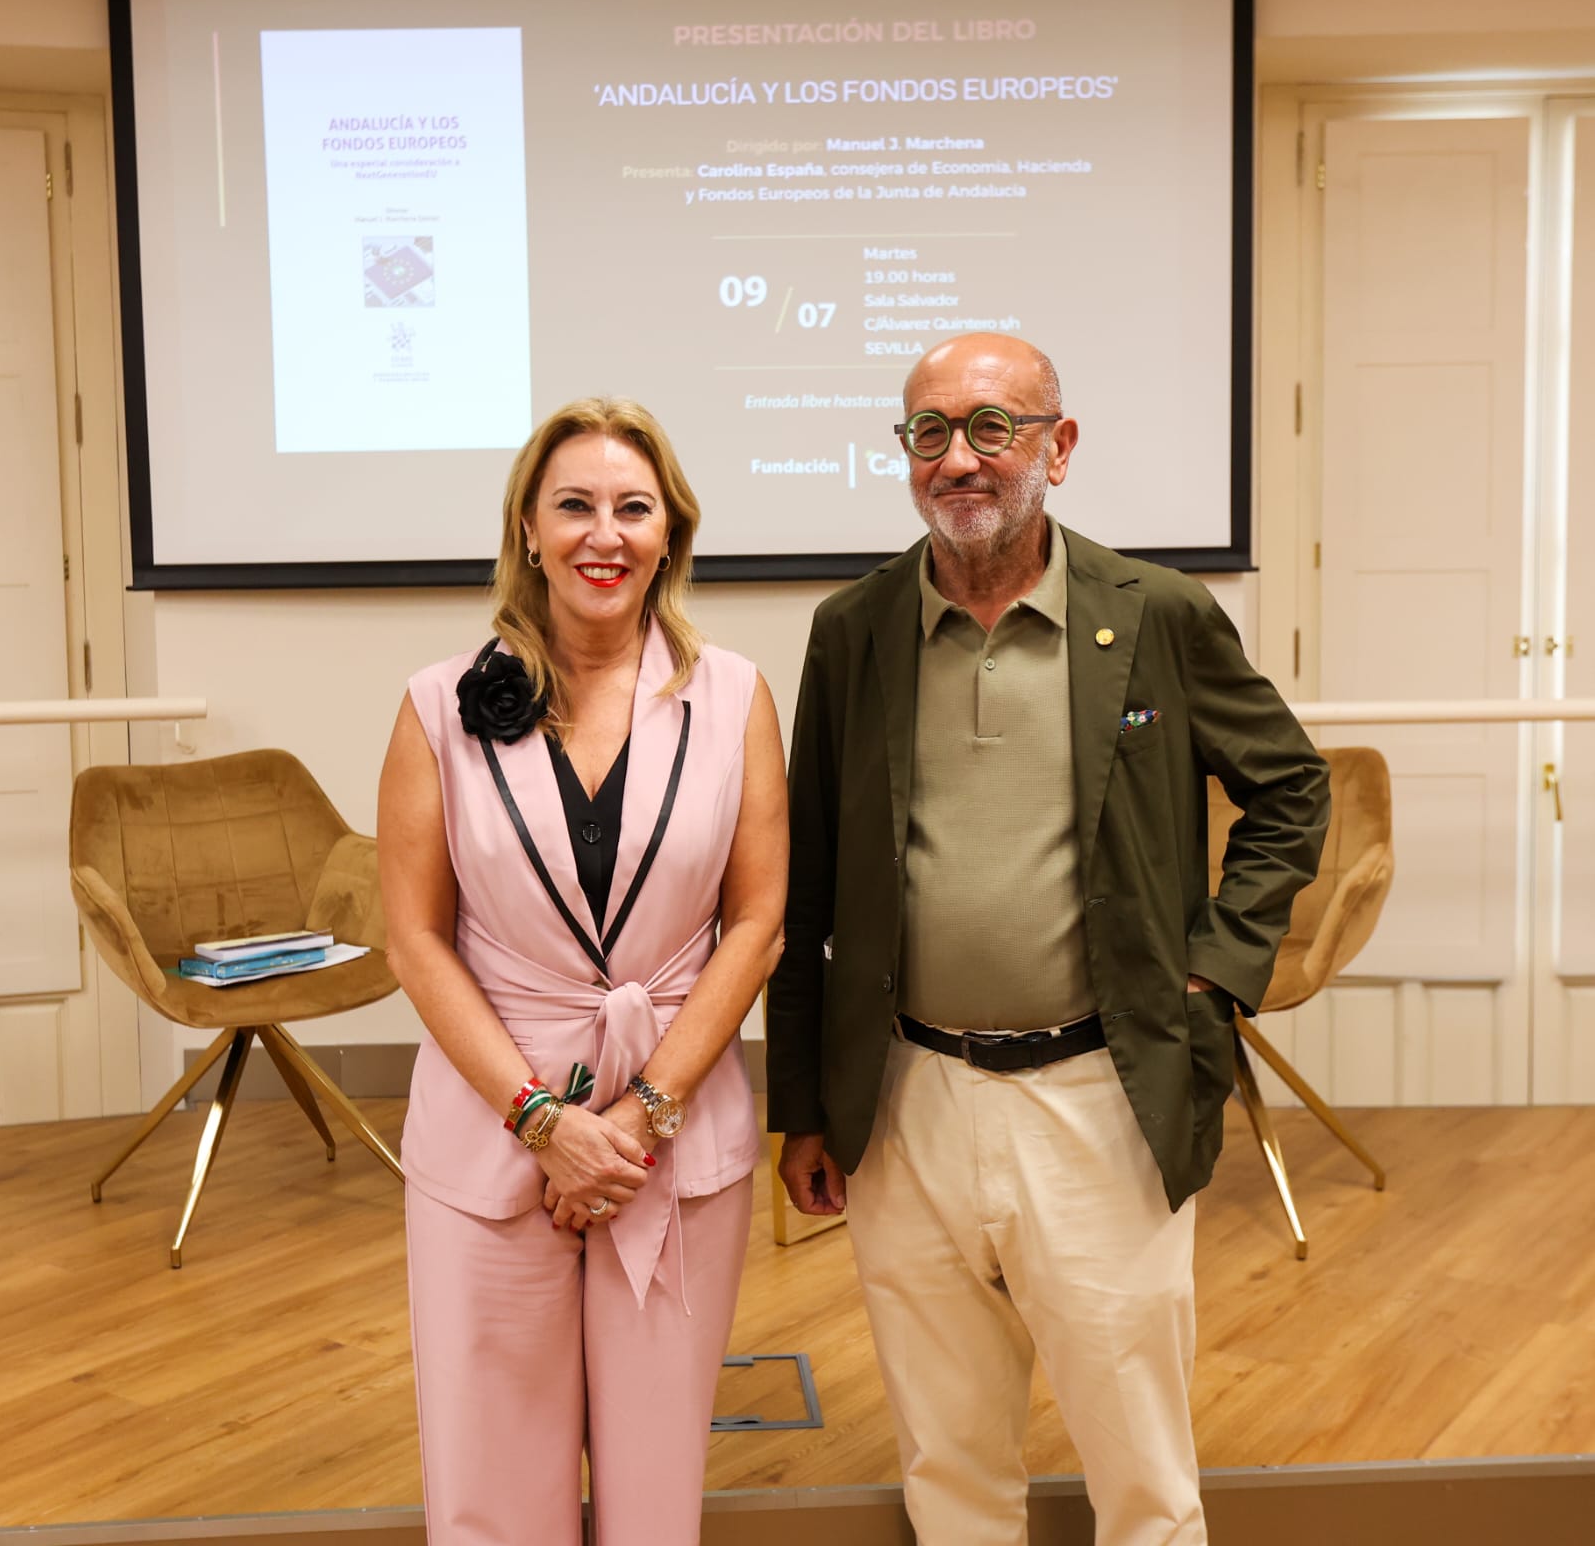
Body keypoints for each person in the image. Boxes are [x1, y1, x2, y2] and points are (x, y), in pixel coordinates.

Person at [766, 333, 1329, 1545]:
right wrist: (803, 1102)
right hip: (905, 1099)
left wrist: (1218, 970)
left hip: (1098, 1093)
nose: (958, 458)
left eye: (991, 426)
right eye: (929, 431)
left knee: (1141, 1464)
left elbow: (1291, 789)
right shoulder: (852, 628)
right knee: (948, 1456)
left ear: (1057, 449)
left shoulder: (1159, 614)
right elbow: (804, 884)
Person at [379, 397, 787, 1546]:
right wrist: (544, 1122)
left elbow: (754, 923)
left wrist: (641, 1119)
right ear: (527, 527)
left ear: (670, 534)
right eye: (574, 505)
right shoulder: (435, 707)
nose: (602, 533)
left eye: (632, 507)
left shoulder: (737, 699)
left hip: (675, 1137)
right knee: (489, 1474)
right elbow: (415, 936)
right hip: (486, 1136)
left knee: (658, 1486)